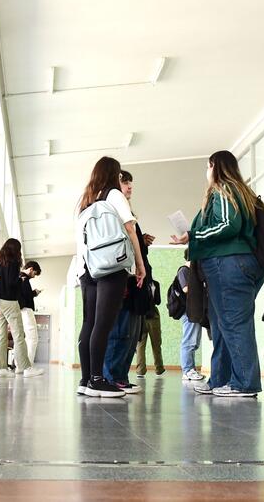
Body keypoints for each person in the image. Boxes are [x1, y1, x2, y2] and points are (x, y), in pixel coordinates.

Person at [171, 150, 264, 398]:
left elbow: (228, 224)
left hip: (229, 264)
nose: (206, 172)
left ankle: (244, 383)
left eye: (207, 166)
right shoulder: (241, 192)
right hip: (237, 265)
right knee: (222, 325)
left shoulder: (224, 188)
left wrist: (194, 237)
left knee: (234, 324)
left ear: (215, 166)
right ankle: (221, 378)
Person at [76, 157, 146, 398]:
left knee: (89, 324)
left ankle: (85, 380)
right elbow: (130, 228)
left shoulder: (85, 200)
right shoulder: (114, 195)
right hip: (110, 266)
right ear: (115, 175)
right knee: (104, 324)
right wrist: (140, 263)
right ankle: (97, 379)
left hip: (87, 269)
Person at [103, 169, 153, 394]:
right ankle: (111, 376)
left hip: (135, 283)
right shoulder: (111, 210)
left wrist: (142, 242)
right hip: (124, 280)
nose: (130, 187)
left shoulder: (128, 213)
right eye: (125, 182)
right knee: (119, 331)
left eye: (131, 183)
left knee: (131, 333)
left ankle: (120, 375)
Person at [0, 239, 45, 379]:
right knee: (19, 335)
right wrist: (22, 277)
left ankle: (0, 368)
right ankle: (26, 368)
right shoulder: (13, 262)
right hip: (9, 300)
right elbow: (12, 283)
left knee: (0, 334)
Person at [177, 249, 205, 381]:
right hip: (188, 312)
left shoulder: (193, 273)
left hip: (194, 311)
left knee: (193, 341)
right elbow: (186, 289)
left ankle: (191, 370)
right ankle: (187, 370)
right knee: (189, 341)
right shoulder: (184, 271)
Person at [19, 261, 42, 364]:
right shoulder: (23, 278)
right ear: (31, 269)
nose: (34, 276)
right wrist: (34, 293)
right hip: (26, 310)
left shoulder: (19, 277)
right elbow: (26, 295)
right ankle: (28, 366)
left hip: (20, 310)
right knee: (33, 338)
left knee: (23, 339)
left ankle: (21, 365)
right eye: (34, 273)